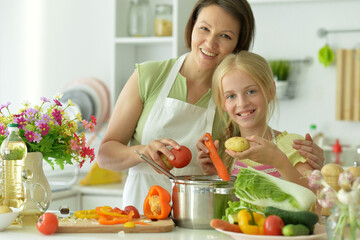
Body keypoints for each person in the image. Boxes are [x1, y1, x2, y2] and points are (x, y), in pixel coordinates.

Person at [98, 0, 323, 213]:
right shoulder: (149, 76)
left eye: (225, 36)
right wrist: (143, 151)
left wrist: (306, 160)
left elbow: (245, 165)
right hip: (142, 215)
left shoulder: (230, 99)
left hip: (196, 221)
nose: (210, 43)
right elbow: (105, 154)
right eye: (204, 28)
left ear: (237, 44)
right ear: (192, 26)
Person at [196, 51, 319, 188]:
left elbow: (315, 199)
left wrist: (279, 161)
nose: (242, 103)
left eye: (251, 91)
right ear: (222, 103)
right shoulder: (226, 155)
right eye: (231, 96)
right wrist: (216, 175)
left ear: (270, 91)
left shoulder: (293, 145)